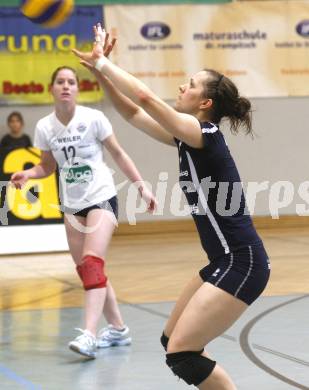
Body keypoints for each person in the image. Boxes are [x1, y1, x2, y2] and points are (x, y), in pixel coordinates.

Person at [73, 24, 270, 388]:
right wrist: (100, 74)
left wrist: (104, 63)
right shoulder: (186, 138)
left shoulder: (203, 135)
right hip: (222, 261)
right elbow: (133, 112)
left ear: (205, 103)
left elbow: (147, 99)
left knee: (182, 352)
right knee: (174, 342)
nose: (183, 87)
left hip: (242, 262)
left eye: (191, 84)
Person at [10, 63, 157, 359]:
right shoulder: (44, 127)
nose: (66, 86)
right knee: (89, 271)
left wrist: (141, 186)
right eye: (60, 82)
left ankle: (89, 334)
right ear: (52, 88)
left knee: (92, 265)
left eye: (71, 82)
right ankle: (117, 328)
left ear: (78, 89)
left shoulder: (94, 119)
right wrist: (29, 174)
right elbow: (48, 166)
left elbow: (118, 153)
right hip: (72, 204)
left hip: (101, 197)